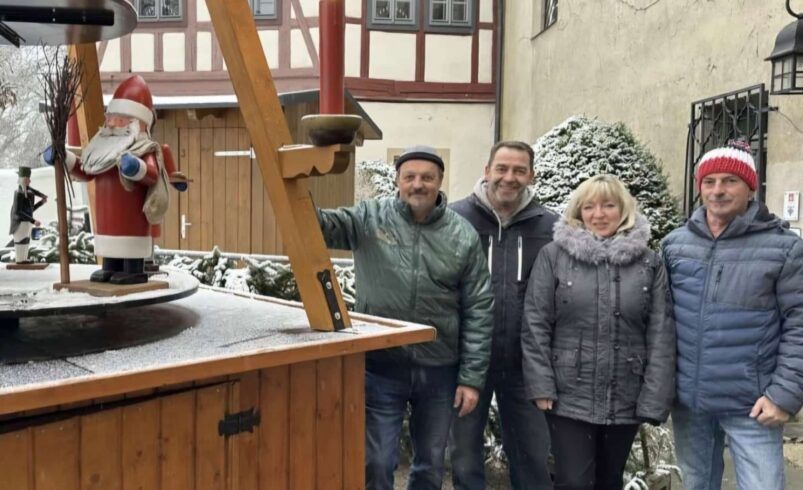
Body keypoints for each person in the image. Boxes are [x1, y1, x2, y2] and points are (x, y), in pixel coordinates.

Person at [317, 145, 494, 490]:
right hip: (382, 366)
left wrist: (471, 379)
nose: (418, 184)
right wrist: (294, 188)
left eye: (427, 177)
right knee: (376, 462)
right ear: (397, 180)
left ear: (440, 181)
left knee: (429, 465)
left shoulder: (462, 235)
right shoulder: (370, 218)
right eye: (409, 177)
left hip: (440, 370)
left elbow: (479, 307)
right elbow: (320, 226)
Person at [662, 140, 803, 490]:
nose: (718, 190)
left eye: (730, 181)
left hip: (752, 404)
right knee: (695, 484)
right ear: (699, 188)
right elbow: (658, 322)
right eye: (709, 182)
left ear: (749, 186)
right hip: (689, 402)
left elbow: (800, 324)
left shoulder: (784, 249)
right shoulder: (675, 244)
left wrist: (783, 395)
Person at [522, 174, 675, 490]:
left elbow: (660, 332)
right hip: (568, 393)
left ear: (623, 210)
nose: (599, 214)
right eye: (589, 207)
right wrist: (541, 384)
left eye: (608, 205)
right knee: (574, 481)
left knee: (609, 480)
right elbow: (535, 322)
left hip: (626, 392)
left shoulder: (648, 262)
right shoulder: (554, 257)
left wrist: (654, 395)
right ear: (578, 212)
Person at [449, 140, 556, 490]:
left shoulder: (550, 226)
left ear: (532, 176)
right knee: (464, 456)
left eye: (519, 170)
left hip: (526, 364)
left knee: (532, 457)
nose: (509, 178)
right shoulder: (454, 219)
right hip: (467, 362)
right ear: (487, 171)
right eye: (502, 168)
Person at [44, 75, 185, 284]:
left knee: (129, 249)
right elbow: (86, 171)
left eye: (119, 120)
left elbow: (152, 174)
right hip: (106, 219)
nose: (111, 124)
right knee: (111, 249)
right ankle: (109, 267)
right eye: (110, 118)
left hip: (132, 220)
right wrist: (65, 158)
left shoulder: (144, 148)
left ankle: (134, 270)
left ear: (137, 124)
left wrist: (136, 167)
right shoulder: (99, 151)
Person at [9, 165, 47, 264]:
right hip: (19, 223)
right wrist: (33, 221)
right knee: (20, 242)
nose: (29, 181)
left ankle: (24, 259)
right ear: (22, 180)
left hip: (26, 223)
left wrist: (41, 202)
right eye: (27, 179)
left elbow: (30, 210)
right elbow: (18, 212)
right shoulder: (18, 193)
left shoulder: (28, 193)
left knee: (25, 241)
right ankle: (20, 260)